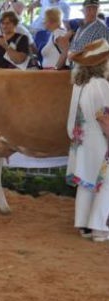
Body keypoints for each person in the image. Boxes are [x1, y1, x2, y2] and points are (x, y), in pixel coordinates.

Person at [66, 39, 109, 242]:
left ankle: (83, 224)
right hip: (99, 140)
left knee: (87, 183)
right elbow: (104, 116)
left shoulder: (81, 84)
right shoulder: (101, 85)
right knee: (104, 184)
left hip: (83, 141)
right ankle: (100, 228)